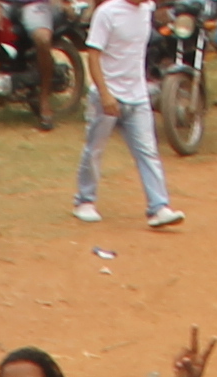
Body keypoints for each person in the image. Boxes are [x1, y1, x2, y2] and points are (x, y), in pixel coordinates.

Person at [69, 0, 183, 231]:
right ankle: (85, 200)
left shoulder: (146, 9)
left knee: (148, 151)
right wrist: (105, 94)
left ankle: (158, 207)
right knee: (95, 149)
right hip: (108, 96)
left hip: (137, 95)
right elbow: (93, 56)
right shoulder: (107, 13)